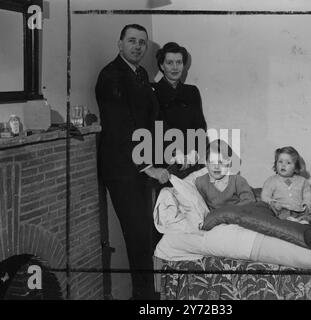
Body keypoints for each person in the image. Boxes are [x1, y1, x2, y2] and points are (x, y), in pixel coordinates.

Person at [95, 24, 170, 300]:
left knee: (148, 233)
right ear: (120, 44)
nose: (137, 47)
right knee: (138, 236)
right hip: (123, 169)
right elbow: (120, 129)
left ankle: (149, 295)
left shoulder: (140, 74)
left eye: (142, 43)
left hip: (142, 165)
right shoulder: (110, 76)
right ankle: (144, 299)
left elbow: (149, 122)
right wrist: (147, 166)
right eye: (132, 41)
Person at [152, 42, 207, 178]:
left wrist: (194, 152)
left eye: (179, 62)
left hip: (192, 158)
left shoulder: (192, 91)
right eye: (170, 63)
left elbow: (200, 125)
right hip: (165, 159)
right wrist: (175, 152)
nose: (175, 67)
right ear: (161, 66)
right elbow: (156, 126)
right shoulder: (152, 91)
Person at [195, 139, 255, 211]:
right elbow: (202, 206)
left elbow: (249, 201)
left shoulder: (237, 180)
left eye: (221, 162)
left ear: (228, 162)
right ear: (206, 163)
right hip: (216, 218)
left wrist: (228, 212)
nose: (216, 167)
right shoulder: (201, 182)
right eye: (212, 162)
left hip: (237, 214)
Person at [261, 146, 311, 224]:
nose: (283, 165)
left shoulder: (303, 181)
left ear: (296, 167)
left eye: (288, 163)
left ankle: (302, 220)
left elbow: (307, 194)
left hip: (299, 209)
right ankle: (293, 221)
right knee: (280, 213)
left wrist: (306, 204)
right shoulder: (271, 180)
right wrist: (272, 202)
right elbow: (264, 195)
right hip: (282, 209)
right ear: (276, 164)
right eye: (280, 161)